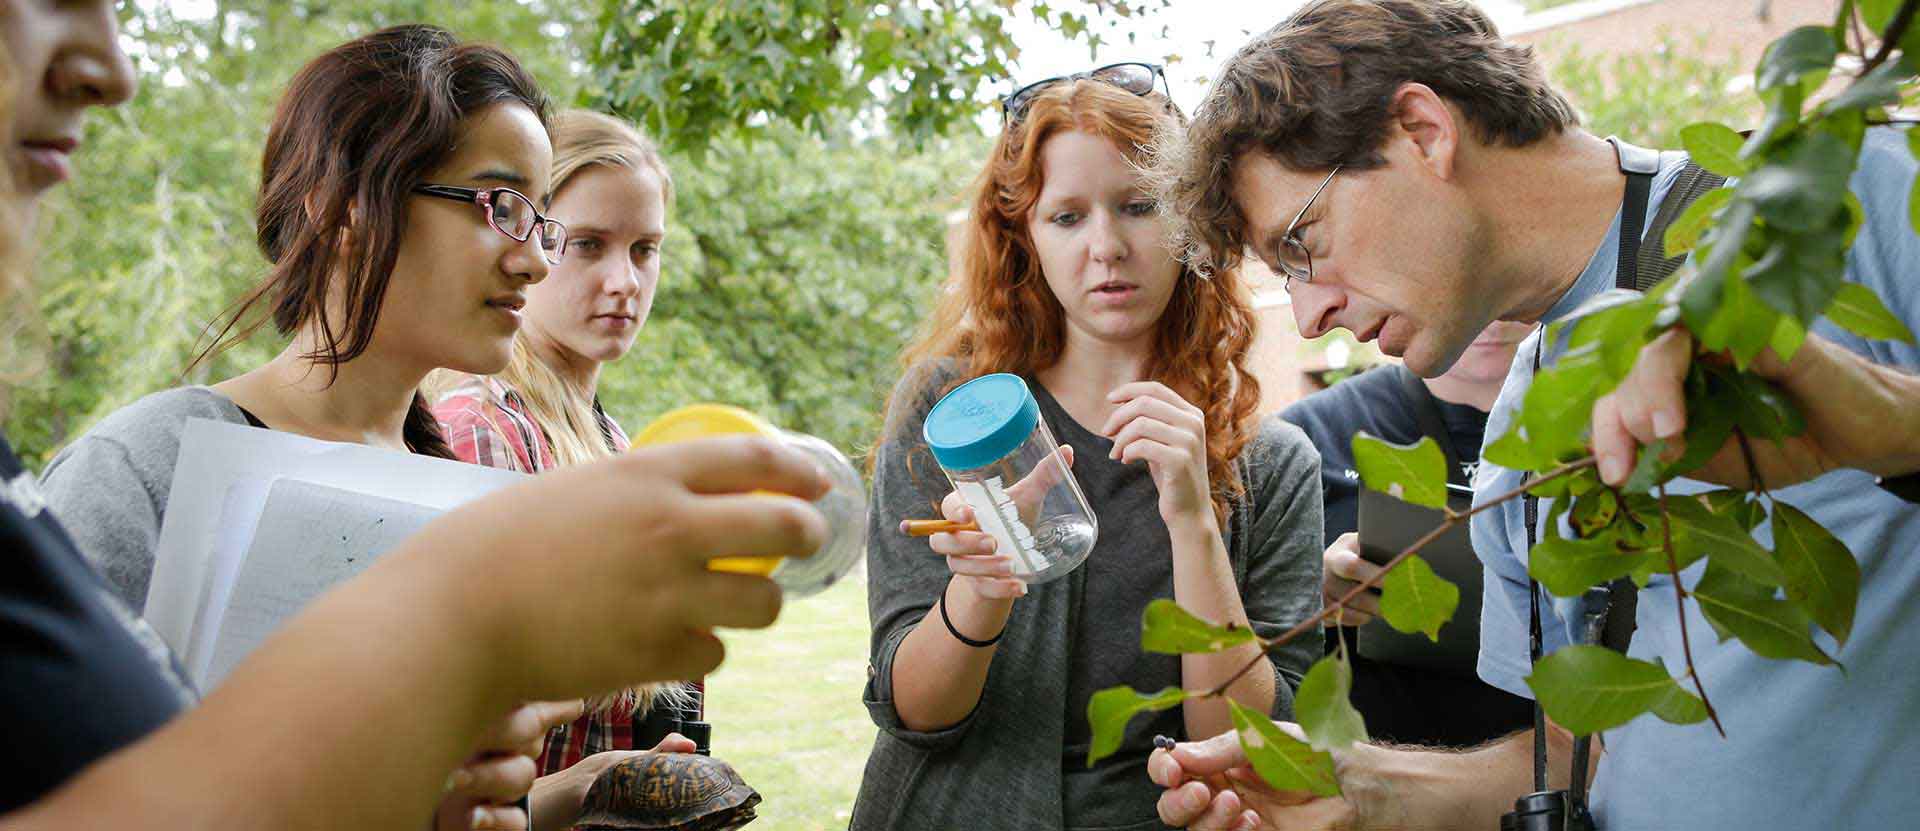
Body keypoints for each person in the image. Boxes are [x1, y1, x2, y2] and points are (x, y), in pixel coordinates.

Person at [0, 13, 826, 831]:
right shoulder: (144, 468)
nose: (536, 257)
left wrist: (546, 797)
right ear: (345, 208)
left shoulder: (474, 490)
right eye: (499, 204)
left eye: (540, 218)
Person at [1145, 1, 1920, 829]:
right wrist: (1372, 788)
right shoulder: (1524, 428)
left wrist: (1894, 426)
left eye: (1301, 244)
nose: (1305, 317)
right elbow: (1574, 748)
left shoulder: (1847, 195)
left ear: (1422, 129)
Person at [853, 65, 1324, 831]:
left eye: (1138, 206)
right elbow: (913, 710)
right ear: (1023, 237)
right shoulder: (949, 409)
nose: (1106, 246)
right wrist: (978, 586)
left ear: (1188, 224)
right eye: (1066, 216)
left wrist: (1195, 521)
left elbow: (1243, 743)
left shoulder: (1272, 462)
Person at [428, 109, 703, 831]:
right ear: (527, 242)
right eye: (587, 244)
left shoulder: (616, 443)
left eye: (646, 249)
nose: (624, 281)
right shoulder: (482, 431)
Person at [1281, 321, 1534, 748]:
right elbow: (1254, 627)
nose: (1493, 320)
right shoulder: (1311, 435)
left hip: (1558, 766)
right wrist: (1312, 593)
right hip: (1380, 768)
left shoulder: (1607, 418)